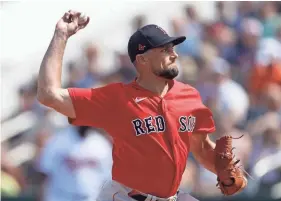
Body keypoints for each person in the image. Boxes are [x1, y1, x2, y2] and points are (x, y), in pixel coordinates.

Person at [37, 10, 247, 201]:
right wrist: (61, 36)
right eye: (164, 50)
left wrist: (223, 168)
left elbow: (201, 148)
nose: (174, 54)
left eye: (172, 48)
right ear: (143, 60)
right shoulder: (116, 98)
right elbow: (49, 95)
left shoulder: (189, 95)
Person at [35, 126, 112, 201]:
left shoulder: (101, 144)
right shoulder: (58, 141)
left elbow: (108, 178)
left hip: (90, 197)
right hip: (61, 197)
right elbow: (44, 173)